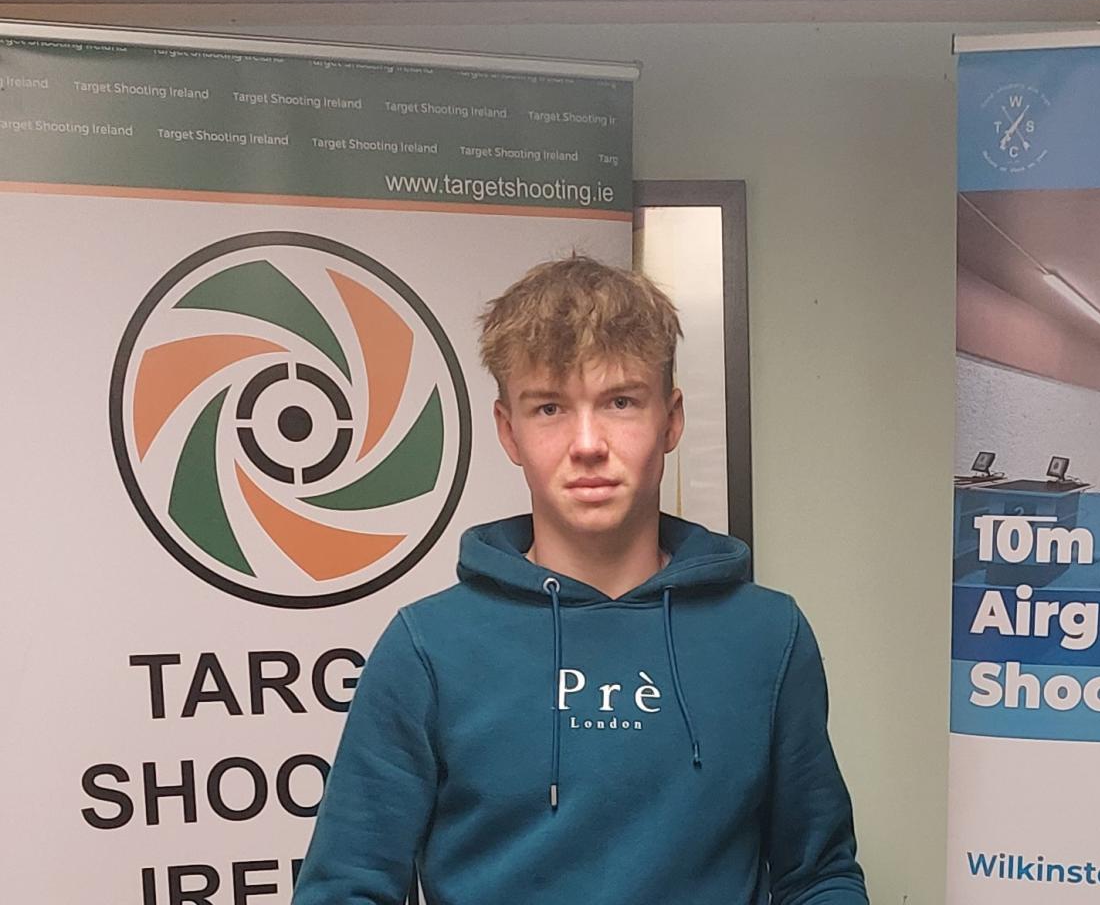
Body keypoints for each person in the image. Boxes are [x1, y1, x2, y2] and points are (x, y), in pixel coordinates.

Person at [292, 255, 868, 904]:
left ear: (671, 418)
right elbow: (344, 887)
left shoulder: (767, 636)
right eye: (550, 408)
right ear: (509, 431)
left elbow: (818, 877)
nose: (588, 443)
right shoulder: (428, 647)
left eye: (620, 402)